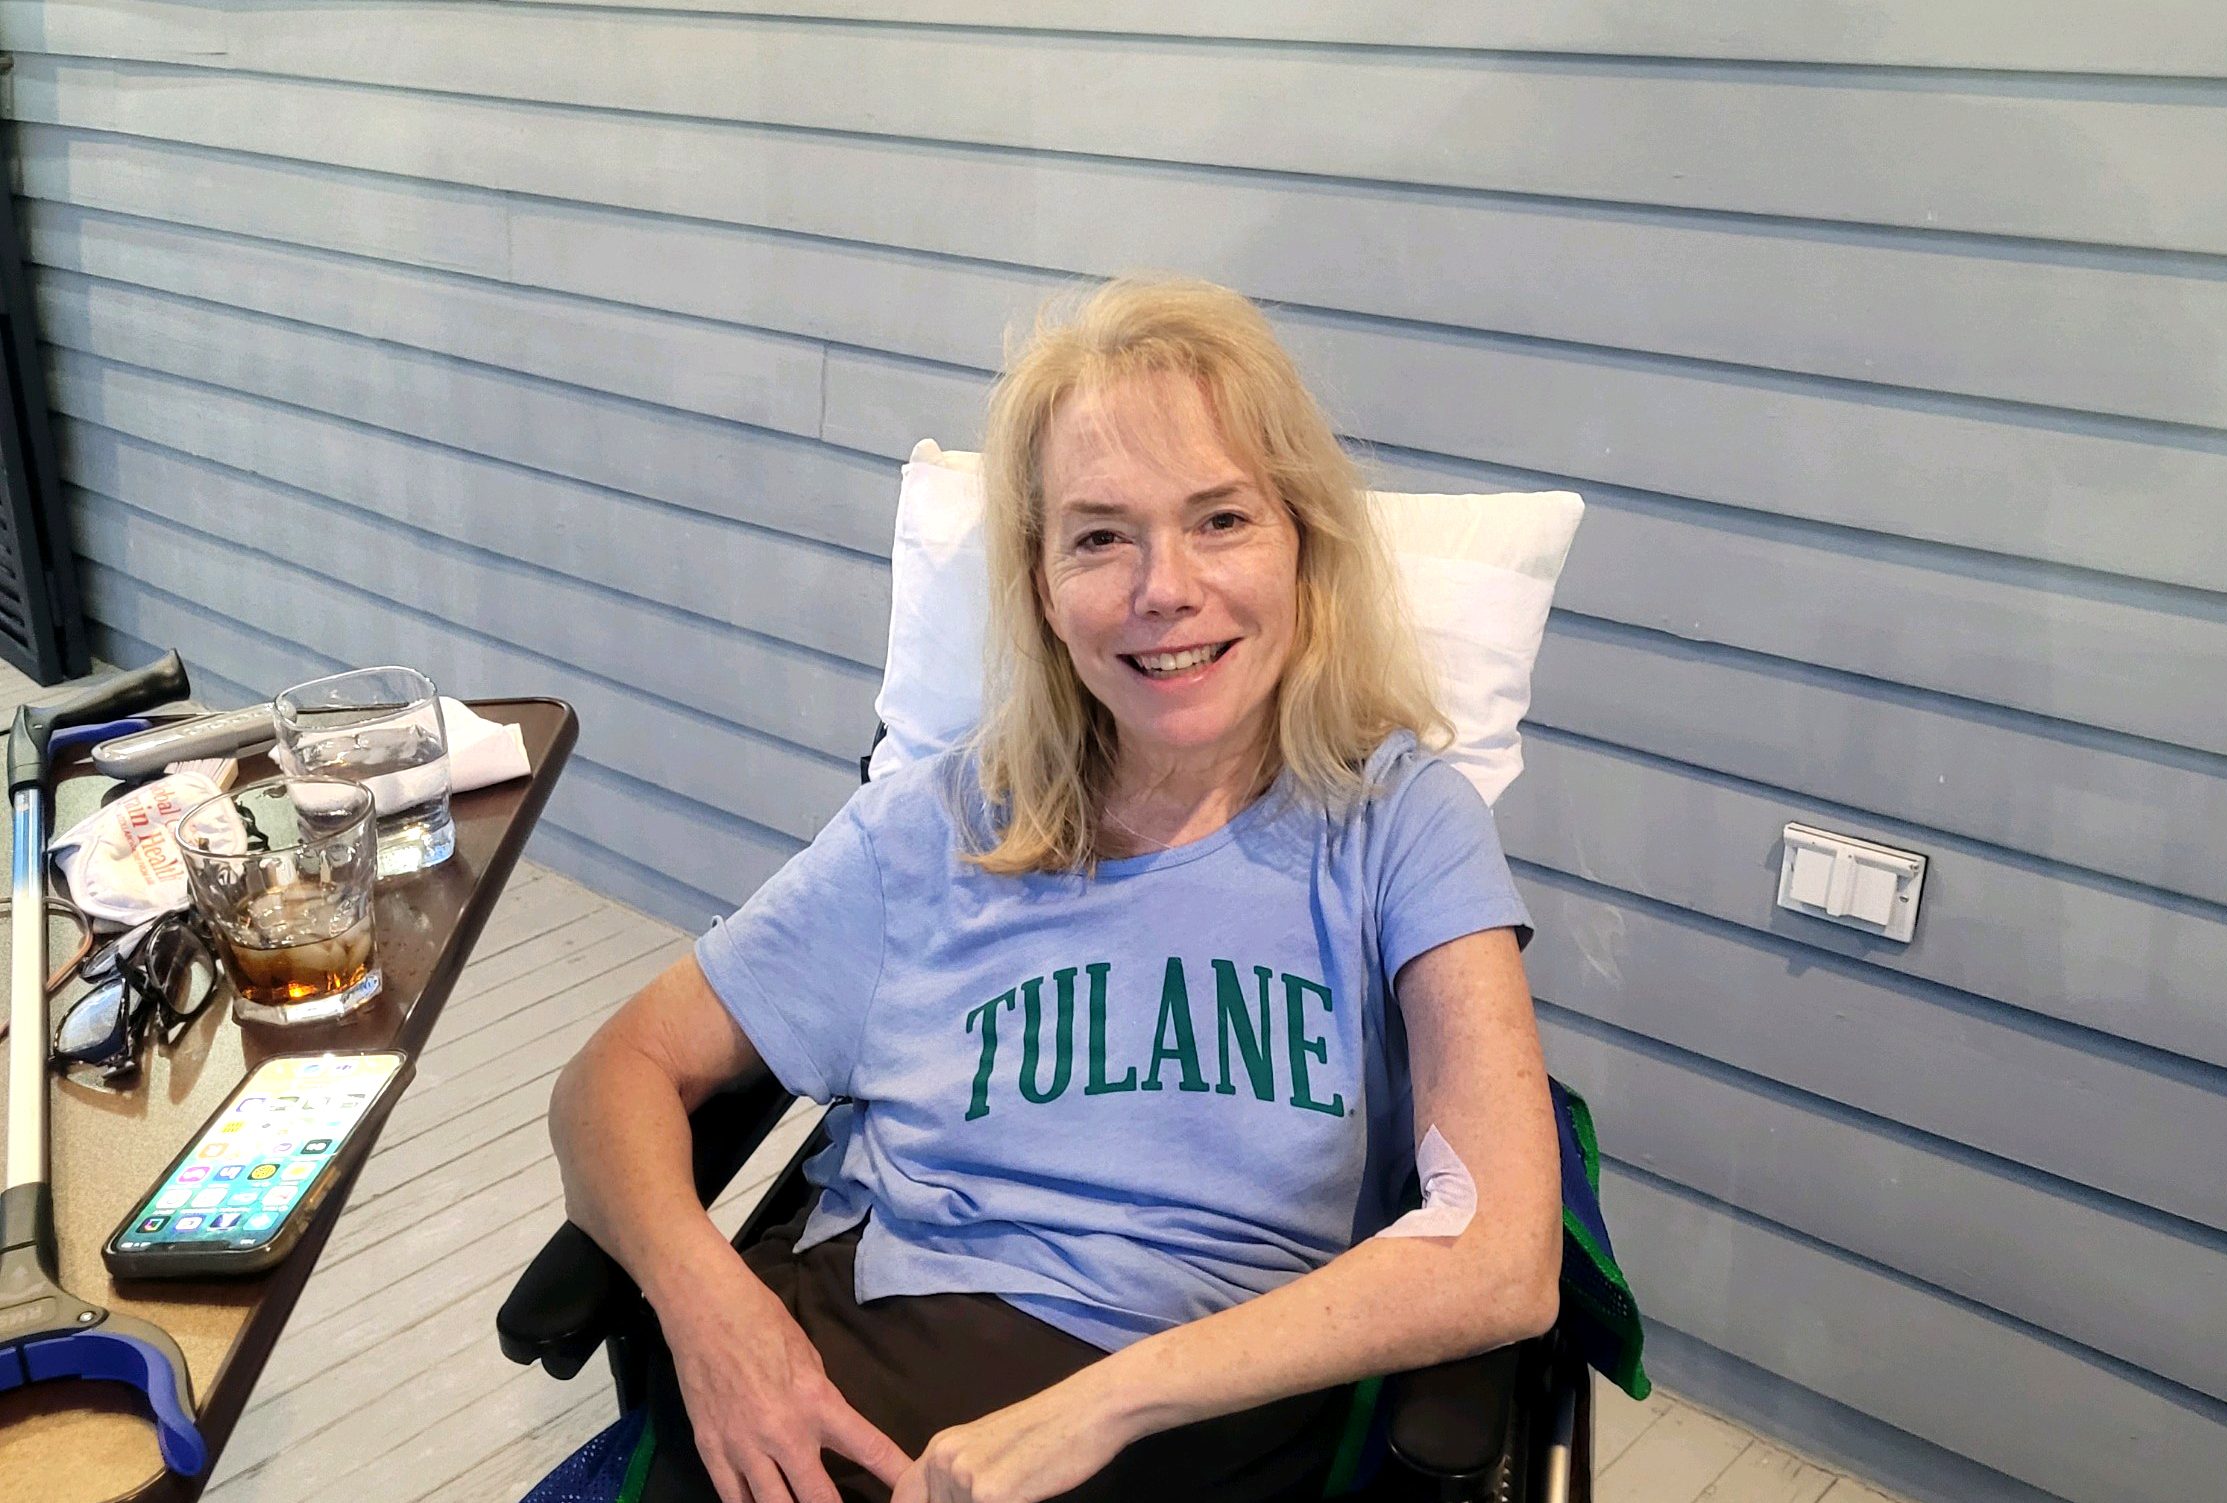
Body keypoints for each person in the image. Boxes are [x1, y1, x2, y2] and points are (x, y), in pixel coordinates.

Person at [545, 277, 1562, 1503]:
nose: (1163, 588)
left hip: (1200, 1416)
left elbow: (1502, 1252)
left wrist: (1098, 1407)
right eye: (1098, 535)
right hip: (846, 1396)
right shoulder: (929, 827)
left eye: (1221, 520)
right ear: (1038, 584)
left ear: (1302, 543)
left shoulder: (1397, 825)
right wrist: (708, 1308)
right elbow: (614, 1076)